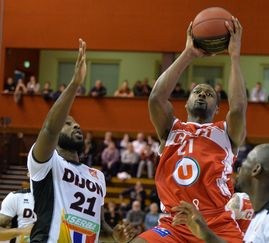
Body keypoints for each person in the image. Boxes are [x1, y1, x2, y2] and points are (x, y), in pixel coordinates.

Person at [134, 17, 247, 242]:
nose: (203, 94)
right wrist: (188, 53)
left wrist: (234, 56)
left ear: (217, 109)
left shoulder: (225, 133)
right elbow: (156, 98)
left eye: (209, 93)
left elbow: (238, 108)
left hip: (216, 222)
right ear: (185, 104)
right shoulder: (171, 128)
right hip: (174, 223)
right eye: (197, 92)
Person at [26, 39, 134, 242]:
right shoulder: (46, 164)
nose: (76, 126)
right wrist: (75, 84)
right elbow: (49, 128)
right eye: (67, 123)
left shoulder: (97, 176)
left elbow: (100, 227)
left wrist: (115, 236)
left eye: (77, 124)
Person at [169, 144, 269, 243]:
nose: (239, 168)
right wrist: (206, 234)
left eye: (246, 162)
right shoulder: (262, 217)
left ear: (256, 170)